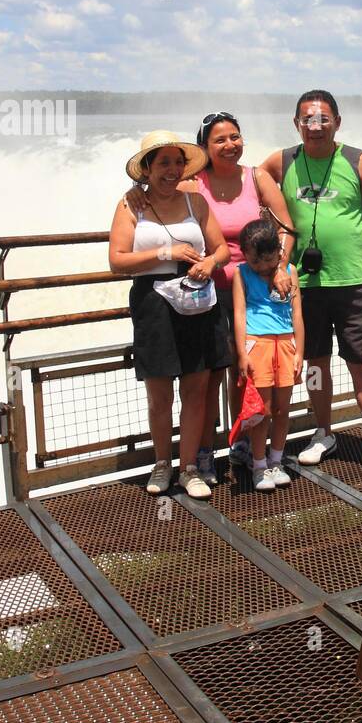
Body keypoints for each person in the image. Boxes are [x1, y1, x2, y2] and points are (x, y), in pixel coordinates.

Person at [126, 111, 294, 489]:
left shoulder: (257, 178)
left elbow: (287, 229)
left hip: (257, 293)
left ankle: (244, 447)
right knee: (210, 375)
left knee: (246, 372)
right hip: (208, 294)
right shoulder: (189, 184)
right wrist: (136, 191)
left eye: (235, 136)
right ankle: (201, 453)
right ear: (204, 147)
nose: (229, 145)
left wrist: (281, 267)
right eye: (220, 139)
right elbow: (157, 195)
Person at [261, 90, 362, 476]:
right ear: (296, 124)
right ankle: (322, 432)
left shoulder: (358, 161)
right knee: (315, 362)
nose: (315, 126)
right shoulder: (283, 161)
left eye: (323, 119)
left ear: (337, 122)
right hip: (302, 284)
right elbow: (249, 183)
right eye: (308, 119)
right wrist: (195, 186)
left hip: (354, 279)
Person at [108, 130, 232, 499]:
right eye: (163, 163)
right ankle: (162, 463)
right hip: (152, 304)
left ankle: (189, 467)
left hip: (196, 297)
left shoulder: (196, 202)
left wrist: (209, 263)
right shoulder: (131, 206)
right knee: (159, 393)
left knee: (196, 388)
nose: (172, 170)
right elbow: (117, 260)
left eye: (178, 162)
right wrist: (167, 253)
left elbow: (221, 248)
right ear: (146, 169)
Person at [230, 217, 304, 490]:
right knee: (260, 410)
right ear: (245, 256)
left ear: (279, 253)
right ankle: (259, 464)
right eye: (256, 262)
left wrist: (300, 352)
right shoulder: (241, 273)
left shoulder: (291, 271)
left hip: (285, 344)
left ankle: (276, 460)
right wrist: (241, 352)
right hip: (256, 343)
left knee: (282, 408)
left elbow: (297, 314)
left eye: (268, 261)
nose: (262, 267)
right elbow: (239, 313)